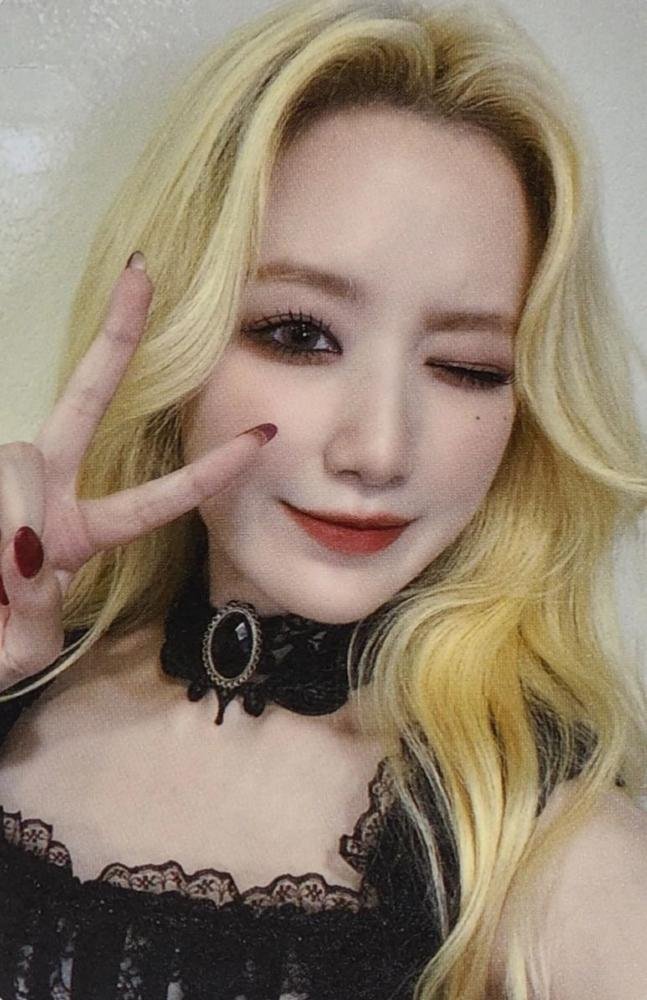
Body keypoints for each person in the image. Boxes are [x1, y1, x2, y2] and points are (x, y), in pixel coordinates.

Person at [0, 0, 645, 997]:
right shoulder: (25, 692)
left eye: (467, 366)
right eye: (299, 334)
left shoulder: (562, 867)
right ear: (175, 333)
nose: (377, 451)